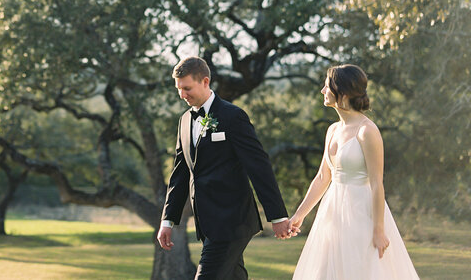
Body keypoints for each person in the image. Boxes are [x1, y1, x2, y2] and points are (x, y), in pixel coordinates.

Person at [156, 56, 294, 280]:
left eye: (187, 88)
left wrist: (277, 216)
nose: (182, 95)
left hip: (232, 221)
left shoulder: (233, 116)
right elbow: (179, 174)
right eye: (178, 89)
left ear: (205, 81)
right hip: (208, 223)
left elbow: (259, 167)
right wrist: (167, 220)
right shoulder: (184, 121)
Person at [290, 64, 419, 279]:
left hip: (361, 213)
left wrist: (378, 230)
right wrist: (299, 215)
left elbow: (377, 183)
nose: (323, 90)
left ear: (344, 92)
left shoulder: (367, 131)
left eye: (327, 86)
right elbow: (323, 177)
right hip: (332, 213)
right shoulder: (332, 130)